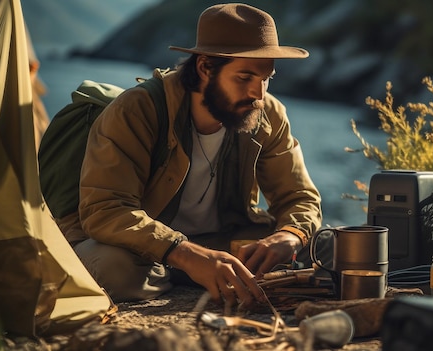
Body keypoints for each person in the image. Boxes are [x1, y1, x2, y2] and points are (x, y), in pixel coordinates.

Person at [61, 3, 328, 306]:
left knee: (328, 245)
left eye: (267, 78)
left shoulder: (267, 114)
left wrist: (290, 235)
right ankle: (189, 273)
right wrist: (184, 253)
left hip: (221, 242)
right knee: (111, 269)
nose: (259, 93)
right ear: (204, 67)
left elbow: (300, 197)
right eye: (244, 78)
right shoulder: (137, 109)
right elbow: (105, 209)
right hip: (143, 249)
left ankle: (197, 274)